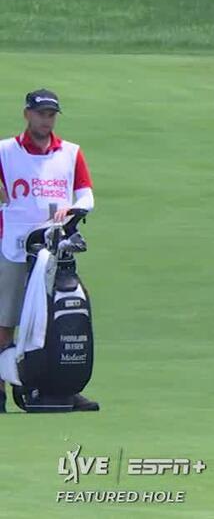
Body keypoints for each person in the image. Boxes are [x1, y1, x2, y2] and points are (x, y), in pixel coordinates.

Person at [0, 89, 97, 411]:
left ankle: (61, 388)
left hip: (55, 249)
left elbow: (86, 196)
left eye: (51, 114)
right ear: (27, 114)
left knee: (58, 318)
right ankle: (1, 391)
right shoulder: (4, 151)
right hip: (13, 246)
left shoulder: (70, 152)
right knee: (5, 322)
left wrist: (72, 211)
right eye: (40, 113)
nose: (46, 119)